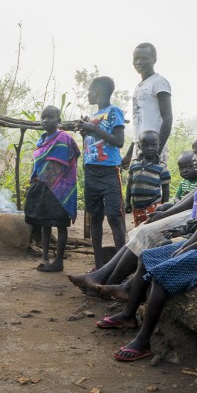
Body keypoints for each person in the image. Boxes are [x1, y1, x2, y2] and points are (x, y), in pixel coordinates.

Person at [72, 98, 197, 300]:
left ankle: (108, 283)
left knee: (148, 232)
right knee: (145, 228)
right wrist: (168, 210)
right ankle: (103, 278)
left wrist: (173, 217)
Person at [96, 130, 197, 361]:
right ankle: (128, 314)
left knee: (162, 275)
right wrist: (186, 244)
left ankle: (143, 341)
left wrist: (189, 249)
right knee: (147, 257)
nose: (194, 158)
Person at [23, 106, 81, 273]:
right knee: (45, 223)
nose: (45, 120)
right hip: (43, 187)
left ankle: (58, 261)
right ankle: (45, 257)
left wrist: (52, 179)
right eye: (43, 117)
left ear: (59, 121)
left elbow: (70, 156)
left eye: (50, 117)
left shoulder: (63, 137)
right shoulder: (41, 140)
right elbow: (39, 164)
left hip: (60, 188)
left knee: (61, 224)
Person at [77, 76, 126, 267]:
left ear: (97, 91)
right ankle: (99, 266)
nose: (88, 94)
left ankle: (121, 267)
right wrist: (85, 130)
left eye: (89, 90)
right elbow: (92, 144)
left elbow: (119, 141)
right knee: (95, 217)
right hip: (91, 172)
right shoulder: (91, 117)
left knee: (114, 216)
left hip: (109, 172)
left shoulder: (114, 111)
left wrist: (93, 129)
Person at [123, 43, 172, 166]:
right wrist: (129, 155)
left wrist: (157, 152)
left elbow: (167, 118)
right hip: (139, 148)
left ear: (154, 59)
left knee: (153, 183)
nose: (138, 62)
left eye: (144, 58)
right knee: (138, 184)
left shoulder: (159, 82)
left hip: (153, 149)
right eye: (136, 58)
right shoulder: (138, 87)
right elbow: (139, 125)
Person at [124, 130, 171, 226]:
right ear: (139, 146)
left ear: (159, 145)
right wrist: (127, 202)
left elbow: (166, 190)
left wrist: (164, 207)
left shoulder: (161, 167)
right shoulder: (134, 164)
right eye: (145, 145)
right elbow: (129, 185)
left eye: (153, 145)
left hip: (153, 205)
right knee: (139, 229)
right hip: (137, 206)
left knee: (153, 228)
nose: (150, 148)